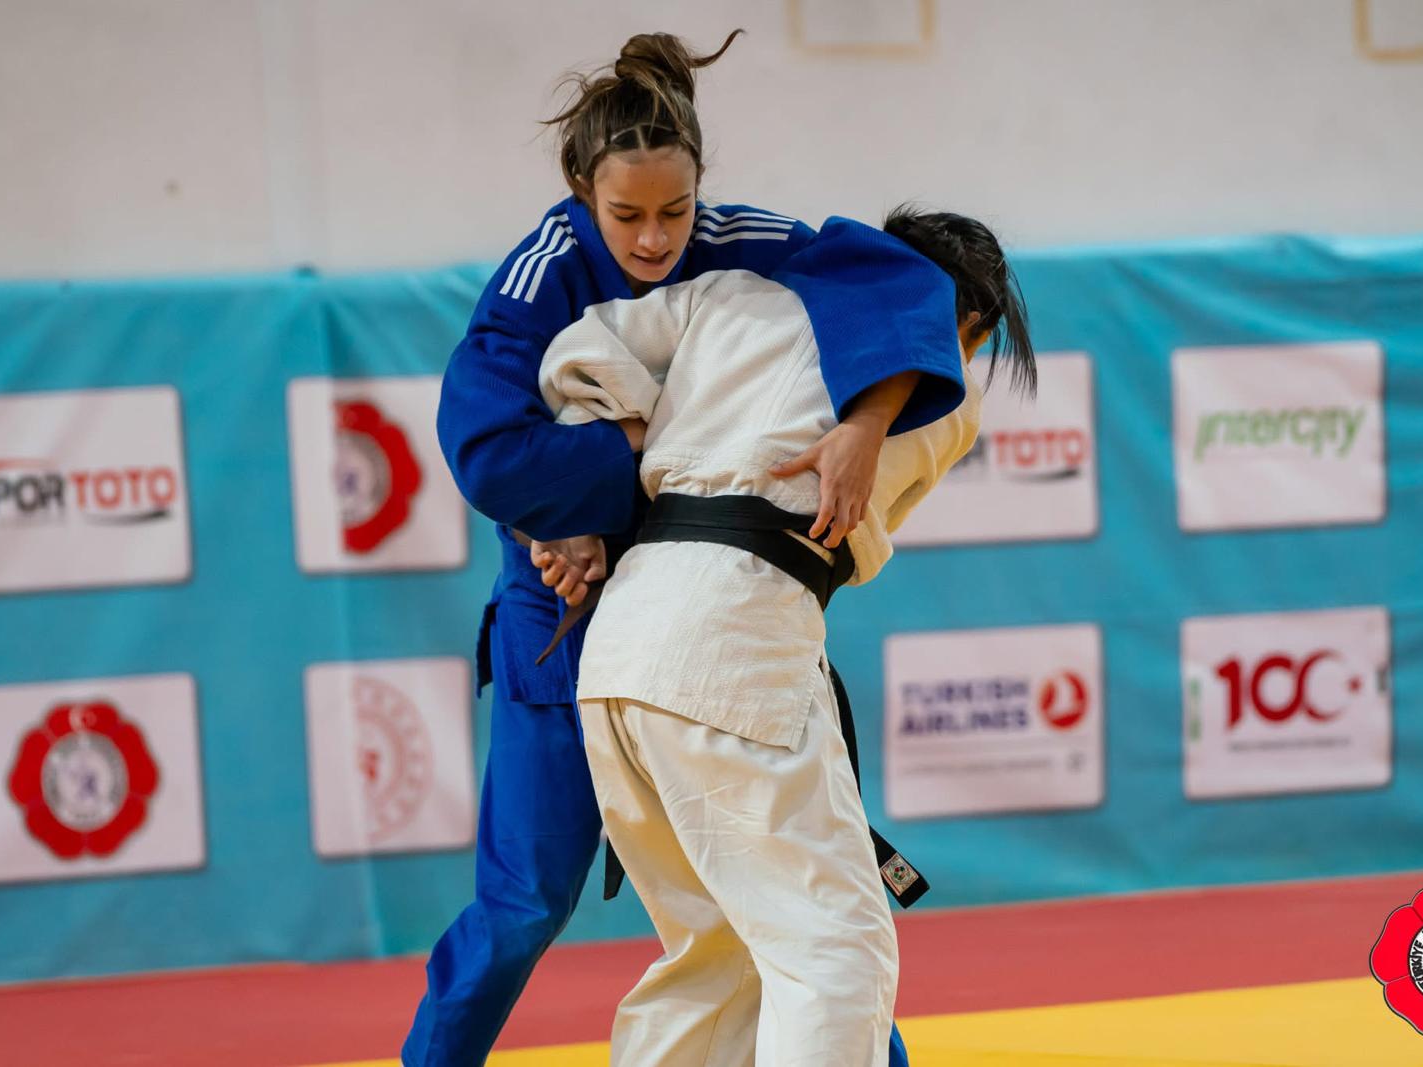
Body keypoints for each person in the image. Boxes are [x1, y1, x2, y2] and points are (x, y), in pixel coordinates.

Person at [405, 31, 963, 1067]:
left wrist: (866, 422)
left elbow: (903, 282)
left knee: (791, 897)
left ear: (700, 185)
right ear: (581, 189)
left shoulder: (738, 237)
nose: (656, 238)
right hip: (560, 612)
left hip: (691, 589)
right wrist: (588, 490)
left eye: (676, 209)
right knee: (526, 902)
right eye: (627, 216)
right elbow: (486, 453)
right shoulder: (540, 275)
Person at [534, 207, 1036, 1066]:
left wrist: (603, 470)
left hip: (622, 646)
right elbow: (855, 533)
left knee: (713, 961)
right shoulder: (949, 384)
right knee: (834, 955)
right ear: (974, 324)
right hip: (733, 646)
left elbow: (575, 354)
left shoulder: (732, 295)